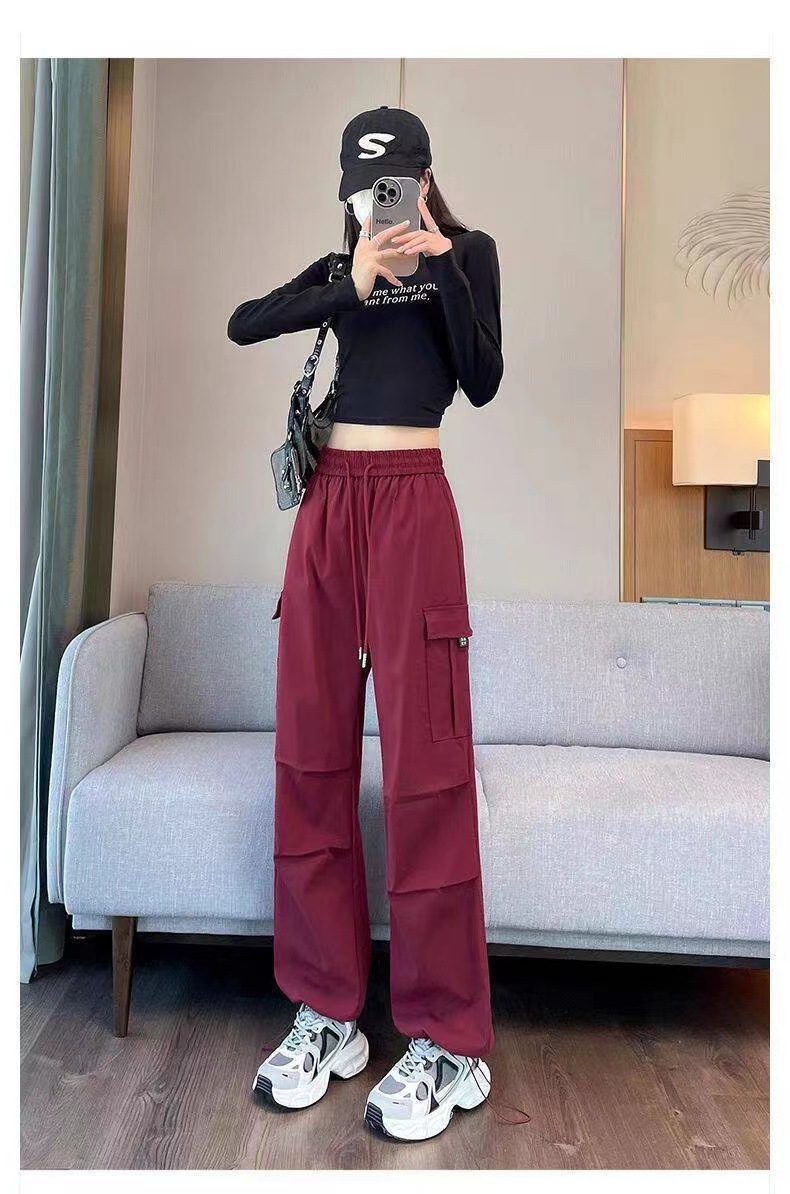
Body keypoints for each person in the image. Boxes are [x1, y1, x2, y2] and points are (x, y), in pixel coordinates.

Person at [227, 105, 503, 1142]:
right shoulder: (341, 267)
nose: (374, 203)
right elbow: (245, 322)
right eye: (360, 188)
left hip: (414, 506)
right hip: (329, 507)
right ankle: (328, 1013)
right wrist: (351, 280)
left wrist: (442, 267)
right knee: (310, 756)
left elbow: (482, 380)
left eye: (391, 185)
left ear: (424, 181)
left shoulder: (467, 256)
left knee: (428, 768)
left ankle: (449, 1039)